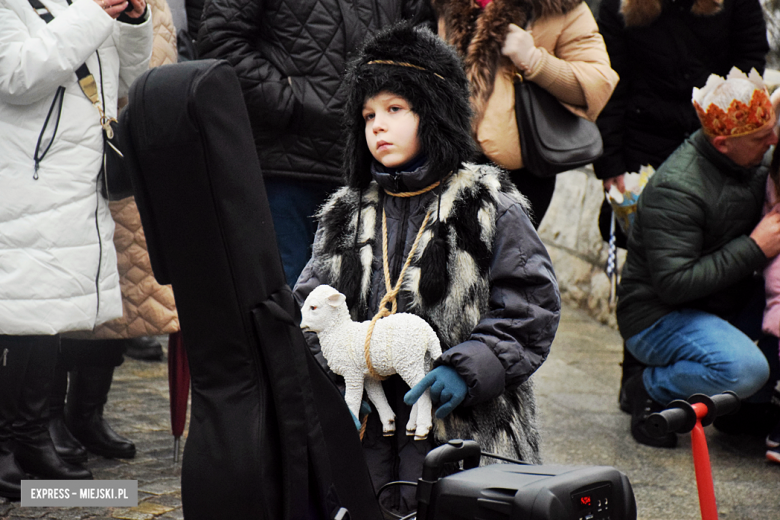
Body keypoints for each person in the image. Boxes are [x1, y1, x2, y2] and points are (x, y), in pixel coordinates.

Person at [293, 23, 560, 516]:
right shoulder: (345, 213)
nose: (378, 125)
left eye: (395, 109)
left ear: (433, 111)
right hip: (369, 441)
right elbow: (308, 308)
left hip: (466, 435)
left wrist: (470, 367)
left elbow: (531, 308)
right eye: (368, 113)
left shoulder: (488, 205)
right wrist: (338, 375)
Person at [0, 0, 152, 500]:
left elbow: (127, 79)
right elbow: (16, 76)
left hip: (70, 182)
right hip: (22, 182)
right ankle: (11, 446)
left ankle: (29, 443)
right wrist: (93, 14)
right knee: (19, 314)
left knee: (45, 314)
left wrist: (131, 21)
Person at [593, 0, 769, 409]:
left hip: (722, 142)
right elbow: (611, 82)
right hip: (643, 145)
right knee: (649, 259)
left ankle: (700, 367)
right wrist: (611, 164)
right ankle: (638, 379)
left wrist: (741, 137)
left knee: (713, 253)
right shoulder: (620, 6)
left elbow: (747, 68)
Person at [196, 0, 433, 288]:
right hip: (286, 165)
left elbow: (421, 36)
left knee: (365, 303)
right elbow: (220, 39)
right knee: (289, 304)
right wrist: (288, 102)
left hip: (371, 166)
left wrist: (395, 107)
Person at [617, 68, 778, 449]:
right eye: (761, 138)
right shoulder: (677, 187)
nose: (772, 142)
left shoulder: (750, 159)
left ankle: (747, 408)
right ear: (722, 143)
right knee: (746, 370)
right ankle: (649, 386)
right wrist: (756, 248)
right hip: (656, 316)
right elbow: (674, 284)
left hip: (724, 297)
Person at [48, 0, 179, 465]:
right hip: (88, 135)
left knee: (130, 291)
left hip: (143, 134)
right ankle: (48, 419)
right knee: (71, 285)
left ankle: (88, 412)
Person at [431, 0, 618, 228]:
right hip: (440, 163)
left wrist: (533, 59)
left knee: (504, 261)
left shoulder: (562, 6)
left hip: (520, 176)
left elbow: (598, 83)